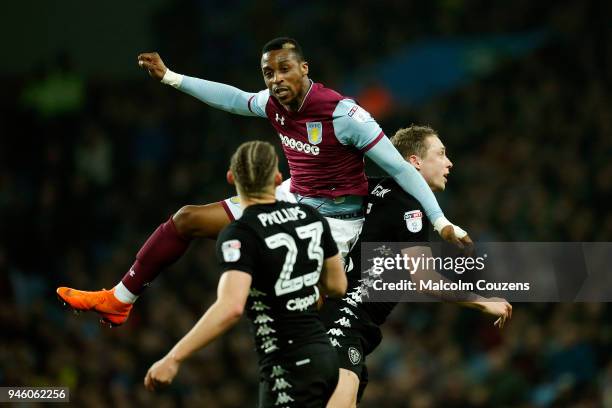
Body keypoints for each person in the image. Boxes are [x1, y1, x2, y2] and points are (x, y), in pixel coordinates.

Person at [57, 37, 470, 326]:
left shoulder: (345, 116)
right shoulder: (273, 103)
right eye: (268, 72)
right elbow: (235, 99)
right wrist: (170, 78)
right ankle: (120, 300)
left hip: (335, 220)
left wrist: (439, 222)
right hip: (293, 196)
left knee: (302, 300)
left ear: (304, 69)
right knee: (186, 219)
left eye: (284, 69)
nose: (275, 79)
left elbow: (399, 168)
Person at [144, 140, 347, 406]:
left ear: (231, 177)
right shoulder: (310, 217)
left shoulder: (241, 232)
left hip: (289, 361)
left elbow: (231, 307)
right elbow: (337, 285)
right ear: (277, 178)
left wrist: (174, 358)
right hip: (323, 355)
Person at [320, 126, 512, 407]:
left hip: (330, 315)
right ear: (414, 161)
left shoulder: (368, 188)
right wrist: (483, 303)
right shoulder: (410, 207)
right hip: (345, 320)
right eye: (441, 154)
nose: (449, 163)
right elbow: (426, 279)